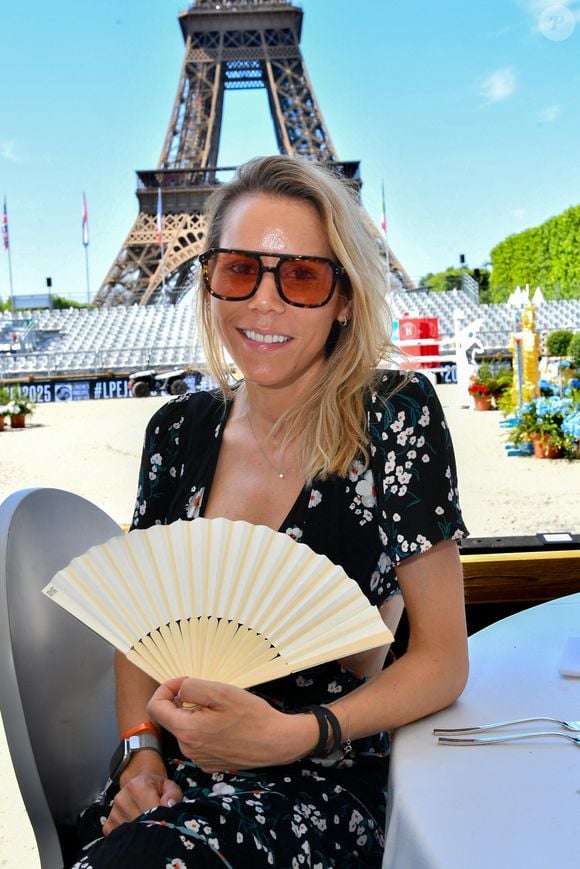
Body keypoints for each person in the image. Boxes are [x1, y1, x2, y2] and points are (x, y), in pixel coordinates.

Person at [71, 155, 468, 868]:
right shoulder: (177, 431)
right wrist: (139, 756)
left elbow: (443, 659)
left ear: (344, 297)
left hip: (323, 770)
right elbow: (138, 628)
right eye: (238, 270)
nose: (263, 301)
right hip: (176, 775)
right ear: (209, 280)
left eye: (302, 276)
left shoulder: (395, 418)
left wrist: (297, 733)